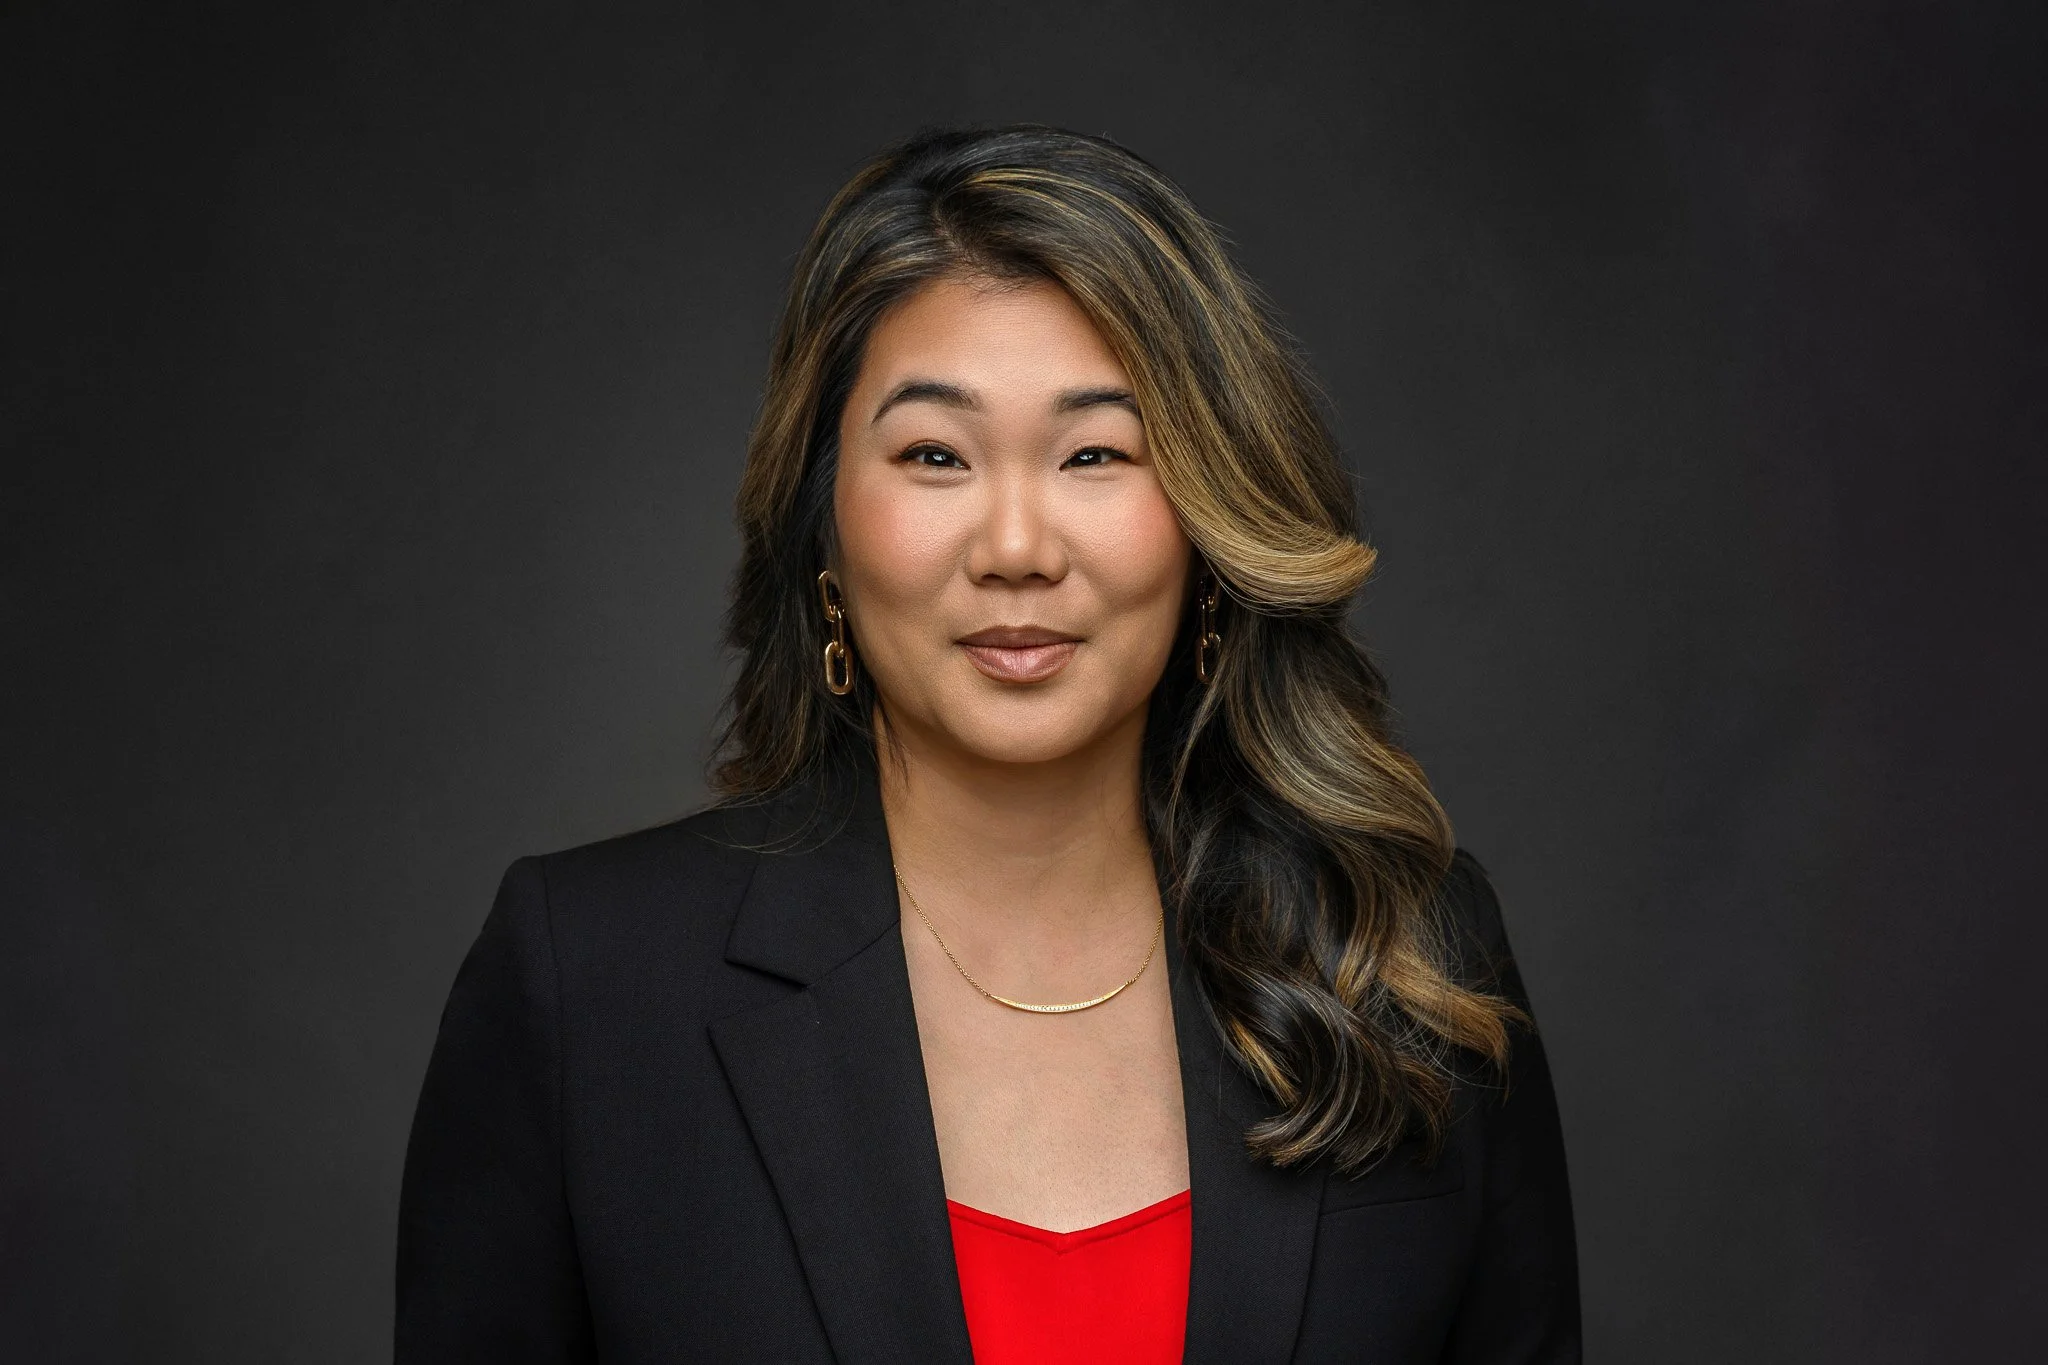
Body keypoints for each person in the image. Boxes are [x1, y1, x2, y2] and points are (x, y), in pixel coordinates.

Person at [395, 124, 1580, 1364]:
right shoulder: (588, 985)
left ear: (1207, 519)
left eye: (1093, 453)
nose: (1016, 546)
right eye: (933, 456)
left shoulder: (1405, 958)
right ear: (823, 526)